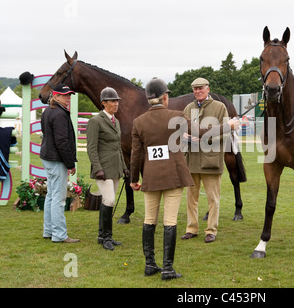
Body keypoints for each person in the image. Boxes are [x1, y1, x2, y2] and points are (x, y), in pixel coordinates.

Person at [130, 77, 238, 280]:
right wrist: (228, 126)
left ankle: (150, 264)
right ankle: (168, 268)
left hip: (151, 177)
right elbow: (203, 131)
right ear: (164, 97)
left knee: (149, 220)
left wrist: (134, 179)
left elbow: (136, 155)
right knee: (169, 221)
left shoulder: (138, 122)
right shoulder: (178, 116)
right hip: (173, 176)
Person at [181, 77, 230, 243]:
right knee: (191, 198)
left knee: (213, 199)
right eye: (195, 89)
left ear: (208, 89)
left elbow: (226, 133)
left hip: (211, 161)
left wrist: (204, 140)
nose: (198, 91)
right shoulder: (188, 108)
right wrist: (184, 136)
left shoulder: (219, 107)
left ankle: (211, 230)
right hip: (192, 161)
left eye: (200, 88)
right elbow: (181, 130)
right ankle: (191, 228)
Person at [86, 87, 128, 251]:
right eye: (113, 101)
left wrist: (124, 167)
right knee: (109, 200)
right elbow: (91, 148)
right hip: (102, 168)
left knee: (107, 201)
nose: (116, 103)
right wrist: (97, 168)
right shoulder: (95, 121)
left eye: (117, 101)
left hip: (115, 166)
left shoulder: (115, 121)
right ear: (104, 103)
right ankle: (106, 237)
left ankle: (102, 235)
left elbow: (118, 147)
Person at [40, 84, 79, 243]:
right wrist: (70, 164)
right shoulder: (59, 114)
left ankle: (48, 231)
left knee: (51, 195)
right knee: (58, 197)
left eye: (69, 95)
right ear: (55, 96)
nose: (68, 98)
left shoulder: (48, 111)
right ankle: (59, 235)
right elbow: (62, 141)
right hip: (56, 159)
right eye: (65, 95)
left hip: (48, 156)